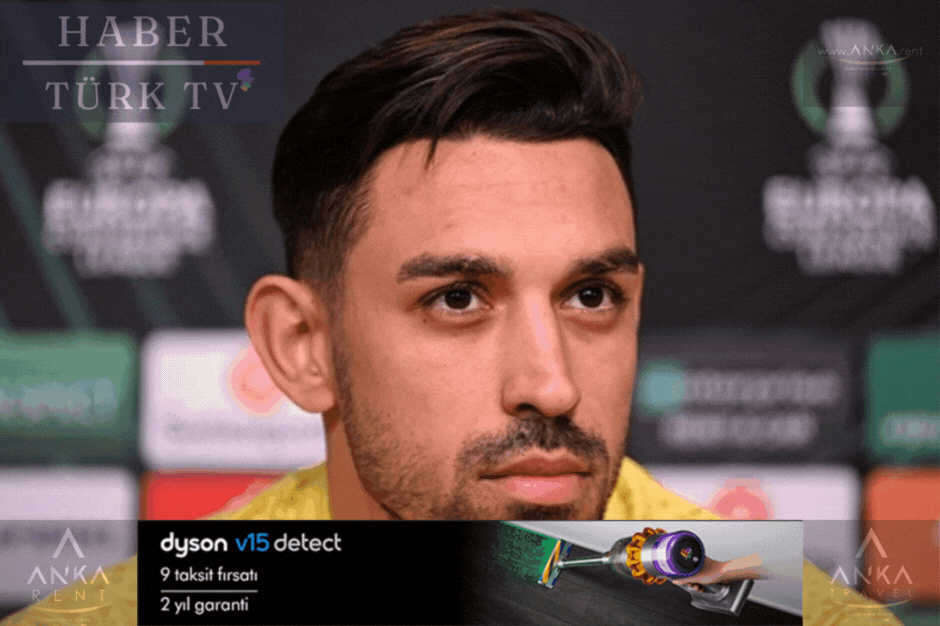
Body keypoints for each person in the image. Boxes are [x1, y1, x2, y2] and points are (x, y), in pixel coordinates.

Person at [2, 9, 899, 626]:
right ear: (302, 345)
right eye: (458, 298)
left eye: (591, 295)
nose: (551, 385)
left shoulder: (787, 614)